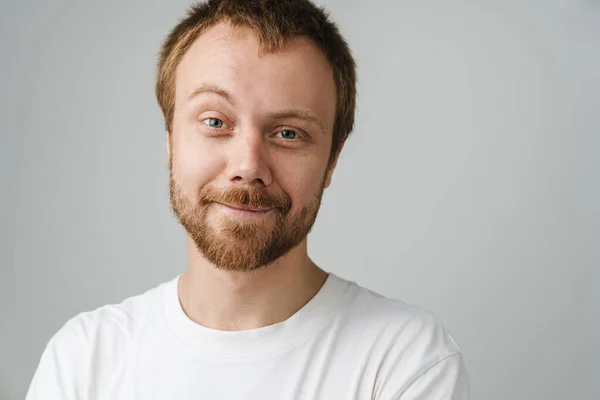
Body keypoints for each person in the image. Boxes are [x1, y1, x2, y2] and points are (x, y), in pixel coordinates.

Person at [25, 0, 469, 398]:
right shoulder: (84, 359)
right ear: (169, 140)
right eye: (216, 121)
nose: (248, 165)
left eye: (289, 133)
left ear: (332, 159)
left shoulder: (404, 362)